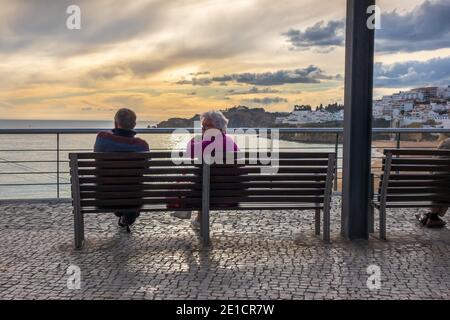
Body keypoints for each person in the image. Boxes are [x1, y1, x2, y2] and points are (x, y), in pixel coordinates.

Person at [171, 110, 239, 228]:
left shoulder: (207, 143)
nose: (202, 129)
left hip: (213, 194)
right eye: (202, 127)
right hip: (231, 192)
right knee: (203, 176)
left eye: (205, 126)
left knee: (195, 180)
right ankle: (199, 219)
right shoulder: (229, 141)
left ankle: (185, 209)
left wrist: (195, 139)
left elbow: (189, 152)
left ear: (217, 127)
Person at [94, 108, 150, 231]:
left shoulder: (102, 138)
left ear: (115, 123)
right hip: (133, 197)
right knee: (132, 186)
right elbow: (146, 169)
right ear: (134, 125)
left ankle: (121, 210)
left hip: (105, 196)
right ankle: (128, 214)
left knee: (114, 182)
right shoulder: (142, 145)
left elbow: (97, 159)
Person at [416, 133, 450, 228]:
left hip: (436, 188)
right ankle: (432, 217)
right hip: (446, 190)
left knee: (441, 183)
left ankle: (432, 216)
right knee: (446, 185)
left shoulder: (446, 142)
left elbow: (432, 167)